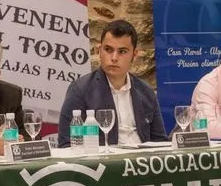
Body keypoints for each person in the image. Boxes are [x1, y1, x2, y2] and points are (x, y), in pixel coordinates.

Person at [58, 20, 166, 148]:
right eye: (108, 49)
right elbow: (67, 145)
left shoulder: (146, 91)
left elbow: (160, 142)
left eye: (122, 51)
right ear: (99, 51)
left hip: (142, 164)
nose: (114, 57)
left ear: (134, 55)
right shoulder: (80, 90)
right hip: (105, 165)